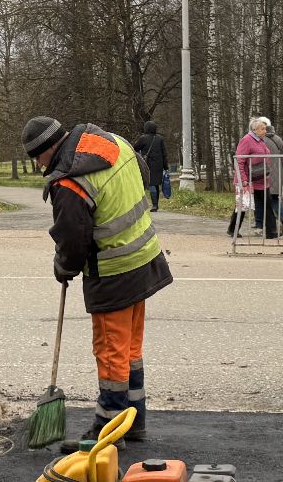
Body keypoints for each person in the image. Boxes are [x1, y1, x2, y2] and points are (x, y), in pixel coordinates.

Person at [22, 115, 172, 441]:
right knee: (130, 349)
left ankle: (108, 429)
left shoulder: (70, 183)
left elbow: (72, 241)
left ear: (49, 149)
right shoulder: (113, 142)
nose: (37, 164)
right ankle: (134, 424)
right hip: (143, 258)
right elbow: (144, 174)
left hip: (114, 273)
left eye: (37, 156)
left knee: (111, 352)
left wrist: (63, 267)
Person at [233, 118, 276, 239]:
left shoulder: (260, 140)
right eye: (262, 129)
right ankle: (232, 229)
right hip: (248, 179)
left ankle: (271, 231)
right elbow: (239, 160)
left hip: (261, 179)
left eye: (265, 129)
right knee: (243, 205)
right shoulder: (247, 140)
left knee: (267, 204)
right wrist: (243, 179)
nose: (265, 131)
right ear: (254, 130)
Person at [259, 117, 283, 235]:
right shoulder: (278, 139)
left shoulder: (260, 140)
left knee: (266, 201)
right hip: (277, 175)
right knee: (274, 199)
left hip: (265, 174)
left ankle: (270, 226)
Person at [134, 119, 168, 211]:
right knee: (156, 184)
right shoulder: (160, 138)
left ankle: (154, 205)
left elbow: (135, 148)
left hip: (148, 164)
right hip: (159, 165)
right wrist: (166, 166)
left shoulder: (143, 138)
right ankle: (155, 204)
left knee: (151, 184)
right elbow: (164, 153)